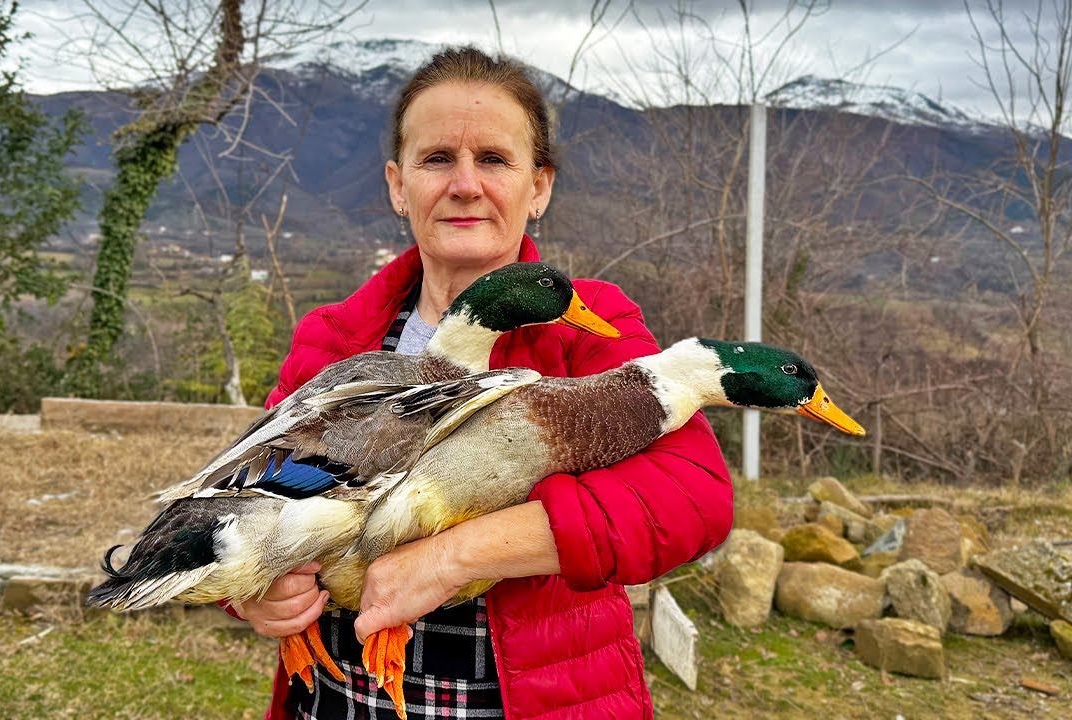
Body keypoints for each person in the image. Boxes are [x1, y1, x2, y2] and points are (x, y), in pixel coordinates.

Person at [224, 46, 733, 719]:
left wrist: (450, 558)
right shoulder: (336, 338)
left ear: (539, 187)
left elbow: (691, 499)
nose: (465, 184)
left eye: (493, 159)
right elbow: (249, 496)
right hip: (340, 701)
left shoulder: (591, 329)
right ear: (397, 184)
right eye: (437, 159)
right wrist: (255, 589)